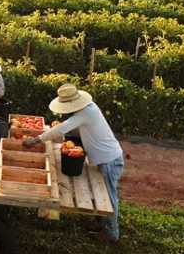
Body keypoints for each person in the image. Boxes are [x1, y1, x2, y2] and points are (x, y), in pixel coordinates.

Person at [24, 84, 125, 243]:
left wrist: (37, 139)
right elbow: (75, 129)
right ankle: (101, 224)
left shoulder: (86, 112)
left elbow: (62, 128)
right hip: (106, 158)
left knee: (110, 198)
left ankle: (112, 233)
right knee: (105, 194)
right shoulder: (87, 108)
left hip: (110, 160)